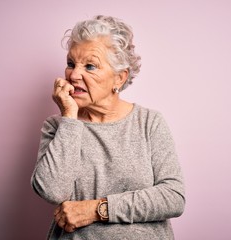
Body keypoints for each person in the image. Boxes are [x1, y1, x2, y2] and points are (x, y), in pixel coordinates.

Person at [31, 15, 185, 240]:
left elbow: (173, 197)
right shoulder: (58, 126)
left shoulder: (149, 123)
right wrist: (70, 118)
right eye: (71, 64)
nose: (74, 75)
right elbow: (53, 191)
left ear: (119, 79)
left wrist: (96, 210)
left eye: (90, 66)